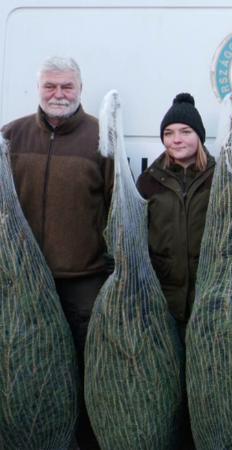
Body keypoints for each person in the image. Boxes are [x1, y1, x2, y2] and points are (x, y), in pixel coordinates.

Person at [136, 92, 232, 448]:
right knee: (166, 387)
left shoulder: (222, 177)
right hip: (164, 300)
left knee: (208, 386)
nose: (177, 139)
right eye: (169, 133)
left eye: (184, 131)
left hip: (210, 301)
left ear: (199, 136)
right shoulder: (148, 182)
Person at [2, 56, 112, 449]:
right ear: (39, 89)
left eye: (67, 86)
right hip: (22, 285)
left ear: (80, 88)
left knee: (87, 371)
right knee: (27, 369)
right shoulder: (10, 136)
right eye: (51, 86)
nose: (58, 94)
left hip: (83, 281)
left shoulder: (102, 137)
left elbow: (117, 206)